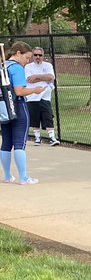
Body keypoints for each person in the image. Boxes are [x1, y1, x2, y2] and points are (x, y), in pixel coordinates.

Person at [1, 41, 46, 185]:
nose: (27, 62)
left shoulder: (2, 66)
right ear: (18, 53)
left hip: (4, 108)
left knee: (6, 143)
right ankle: (23, 177)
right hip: (19, 106)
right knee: (20, 143)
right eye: (27, 58)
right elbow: (19, 91)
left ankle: (8, 175)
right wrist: (34, 90)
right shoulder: (17, 68)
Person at [26, 46, 58, 145]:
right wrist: (44, 78)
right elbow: (29, 79)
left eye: (40, 55)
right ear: (33, 56)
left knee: (47, 117)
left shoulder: (48, 66)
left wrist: (36, 76)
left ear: (43, 56)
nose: (38, 57)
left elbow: (51, 77)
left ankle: (52, 138)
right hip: (32, 96)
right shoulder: (28, 67)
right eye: (35, 55)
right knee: (35, 119)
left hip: (45, 96)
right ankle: (37, 138)